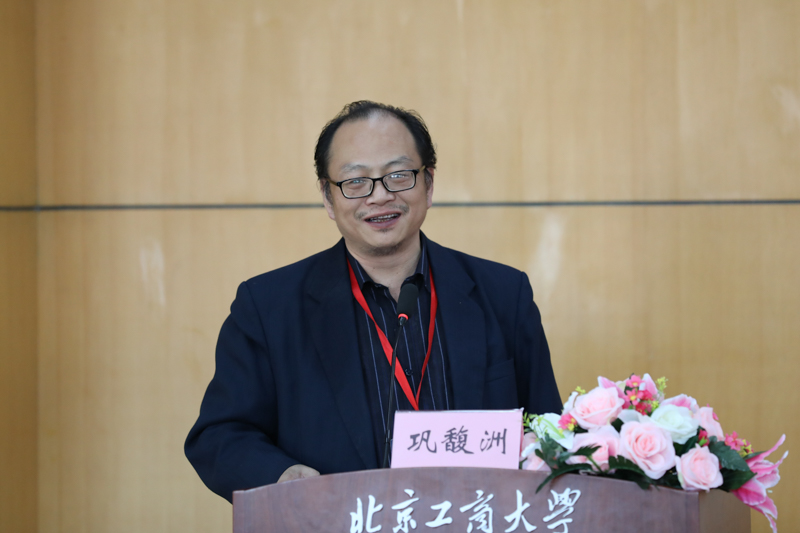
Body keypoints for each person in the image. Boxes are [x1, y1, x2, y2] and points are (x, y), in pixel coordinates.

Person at [185, 101, 561, 502]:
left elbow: (547, 428)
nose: (380, 196)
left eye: (398, 175)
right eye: (356, 181)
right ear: (328, 197)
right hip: (337, 522)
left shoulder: (502, 293)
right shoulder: (268, 307)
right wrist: (283, 477)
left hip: (477, 518)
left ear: (429, 183)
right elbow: (220, 436)